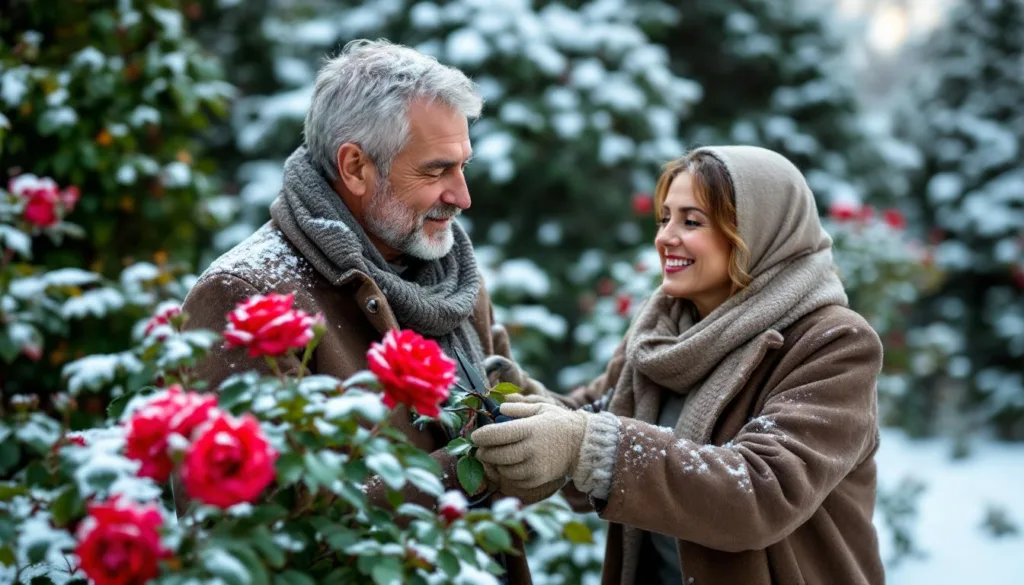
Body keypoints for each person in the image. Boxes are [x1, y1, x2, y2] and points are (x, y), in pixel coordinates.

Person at [181, 39, 546, 584]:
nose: (463, 196)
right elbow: (248, 537)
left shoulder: (450, 275)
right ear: (355, 167)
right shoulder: (245, 296)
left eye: (463, 165)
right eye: (436, 170)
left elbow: (511, 399)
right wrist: (475, 469)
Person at [473, 146, 885, 584]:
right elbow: (593, 421)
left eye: (692, 221)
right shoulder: (664, 330)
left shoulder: (833, 342)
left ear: (760, 233)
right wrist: (515, 394)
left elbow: (761, 493)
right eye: (664, 218)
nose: (666, 237)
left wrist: (586, 445)